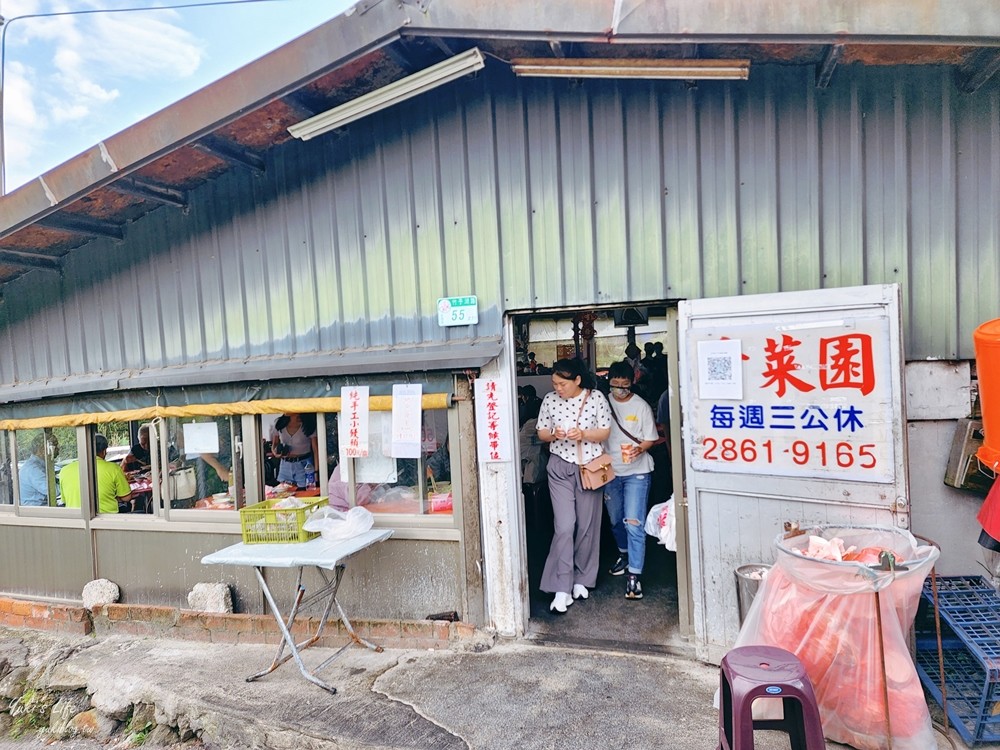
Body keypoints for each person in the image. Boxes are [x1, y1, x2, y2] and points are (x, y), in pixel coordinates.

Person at [536, 358, 612, 614]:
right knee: (565, 526)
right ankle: (561, 586)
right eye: (555, 383)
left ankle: (582, 579)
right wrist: (553, 434)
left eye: (562, 384)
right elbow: (541, 433)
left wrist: (584, 434)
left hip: (589, 467)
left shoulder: (597, 398)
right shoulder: (549, 400)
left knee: (588, 526)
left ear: (577, 380)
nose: (558, 388)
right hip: (560, 467)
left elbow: (605, 431)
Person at [603, 361, 658, 600]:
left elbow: (651, 439)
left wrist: (639, 449)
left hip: (637, 471)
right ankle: (624, 554)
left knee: (633, 523)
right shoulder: (601, 403)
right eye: (615, 385)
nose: (620, 390)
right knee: (616, 520)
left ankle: (634, 575)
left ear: (632, 384)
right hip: (610, 471)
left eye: (625, 386)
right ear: (609, 383)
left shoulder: (641, 406)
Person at [59, 434, 131, 514]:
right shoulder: (113, 469)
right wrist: (114, 497)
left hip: (77, 520)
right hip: (107, 520)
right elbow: (127, 497)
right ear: (104, 451)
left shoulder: (64, 471)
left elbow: (64, 500)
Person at [271, 413, 319, 489]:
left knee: (305, 493)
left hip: (304, 464)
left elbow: (316, 450)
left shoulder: (308, 424)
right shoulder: (279, 423)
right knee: (284, 494)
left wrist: (316, 472)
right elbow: (274, 444)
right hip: (285, 464)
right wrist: (275, 453)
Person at [19, 433, 58, 506]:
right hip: (36, 512)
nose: (58, 449)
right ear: (43, 450)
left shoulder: (40, 465)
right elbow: (54, 491)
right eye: (54, 446)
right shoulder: (34, 469)